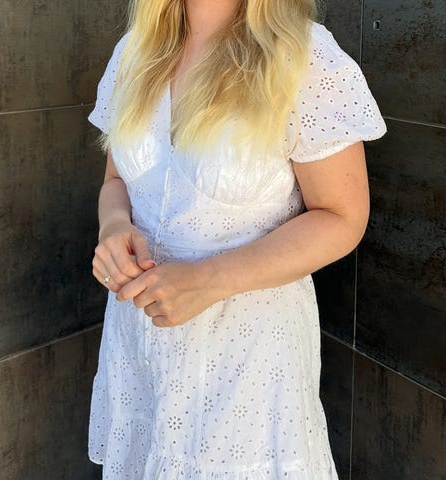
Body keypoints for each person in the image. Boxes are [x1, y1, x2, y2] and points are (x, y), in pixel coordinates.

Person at [87, 0, 387, 478]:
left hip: (247, 358)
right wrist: (114, 228)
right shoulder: (135, 53)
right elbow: (116, 180)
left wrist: (209, 279)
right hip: (139, 342)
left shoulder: (303, 55)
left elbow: (342, 216)